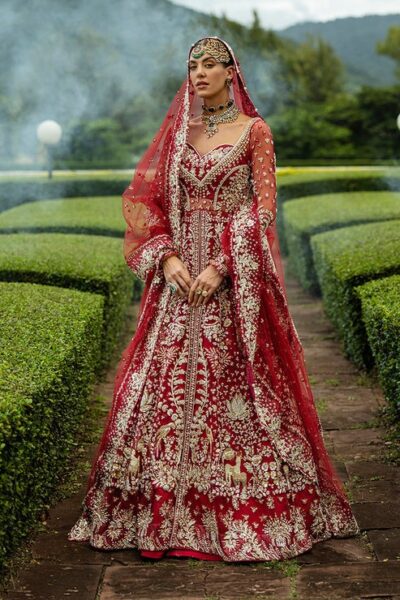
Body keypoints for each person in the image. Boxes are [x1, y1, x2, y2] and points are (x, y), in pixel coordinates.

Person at [68, 36, 359, 562]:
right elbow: (146, 203)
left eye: (209, 65)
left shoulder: (255, 133)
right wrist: (169, 259)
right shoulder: (180, 133)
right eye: (192, 66)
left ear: (231, 72)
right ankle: (153, 509)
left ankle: (243, 510)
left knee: (236, 393)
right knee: (156, 390)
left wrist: (223, 266)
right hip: (178, 287)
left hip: (229, 293)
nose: (198, 73)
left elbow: (261, 211)